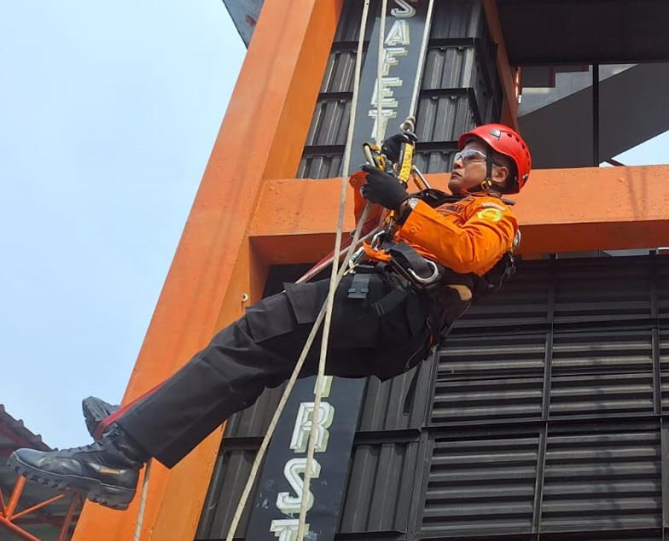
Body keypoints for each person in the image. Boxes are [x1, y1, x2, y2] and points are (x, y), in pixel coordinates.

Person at [9, 124, 532, 510]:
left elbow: (465, 252)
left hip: (384, 305)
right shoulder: (437, 205)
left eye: (471, 155)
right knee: (255, 361)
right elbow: (370, 227)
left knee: (251, 334)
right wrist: (378, 182)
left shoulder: (493, 215)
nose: (457, 160)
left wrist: (405, 206)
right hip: (385, 321)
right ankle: (130, 436)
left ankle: (121, 452)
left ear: (500, 172)